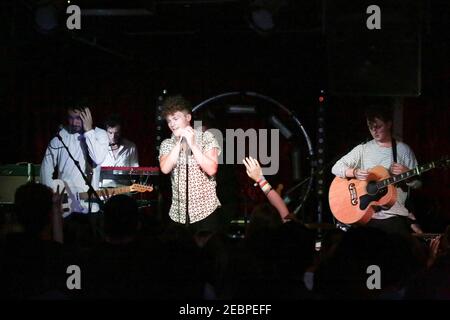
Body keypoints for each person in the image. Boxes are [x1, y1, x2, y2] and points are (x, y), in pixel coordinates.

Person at [331, 104, 422, 236]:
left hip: (393, 215)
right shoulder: (363, 149)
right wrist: (354, 172)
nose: (374, 131)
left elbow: (418, 185)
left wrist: (408, 175)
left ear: (389, 124)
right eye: (370, 126)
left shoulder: (403, 150)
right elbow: (336, 167)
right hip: (365, 214)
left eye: (378, 126)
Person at [158, 95, 222, 234]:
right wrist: (180, 142)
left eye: (175, 119)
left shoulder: (207, 137)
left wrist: (192, 144)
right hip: (178, 214)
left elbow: (211, 169)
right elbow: (165, 168)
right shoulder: (167, 144)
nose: (172, 124)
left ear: (188, 118)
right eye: (169, 121)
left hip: (205, 213)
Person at [40, 104, 109, 214]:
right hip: (65, 207)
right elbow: (45, 169)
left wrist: (88, 131)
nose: (73, 122)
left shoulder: (99, 134)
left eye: (78, 118)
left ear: (87, 116)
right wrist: (53, 197)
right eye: (70, 118)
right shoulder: (60, 136)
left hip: (89, 206)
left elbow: (98, 158)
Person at [101, 114, 139, 187]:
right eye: (110, 133)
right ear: (105, 131)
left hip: (123, 191)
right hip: (103, 192)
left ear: (121, 131)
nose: (113, 137)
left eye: (116, 133)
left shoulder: (131, 147)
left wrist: (133, 175)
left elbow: (135, 171)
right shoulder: (99, 146)